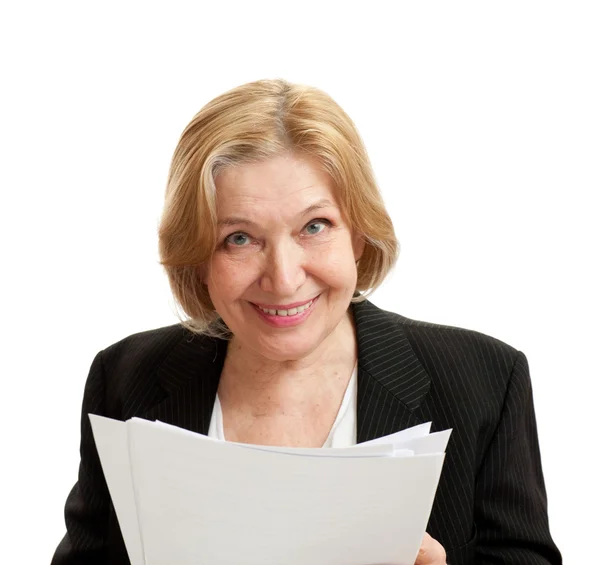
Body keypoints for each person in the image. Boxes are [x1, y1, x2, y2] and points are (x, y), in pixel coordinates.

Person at [52, 79, 561, 565]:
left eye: (314, 226)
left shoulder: (485, 380)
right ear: (198, 257)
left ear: (358, 235)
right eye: (239, 238)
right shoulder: (125, 379)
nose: (283, 278)